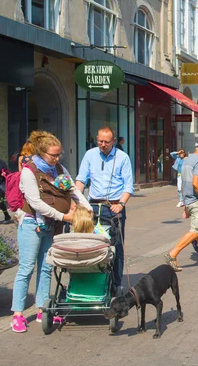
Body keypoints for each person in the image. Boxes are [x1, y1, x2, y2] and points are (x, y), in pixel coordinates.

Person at [11, 131, 90, 333]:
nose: (56, 159)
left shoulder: (59, 168)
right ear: (41, 152)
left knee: (46, 268)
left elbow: (73, 190)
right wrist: (63, 217)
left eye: (59, 155)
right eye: (53, 155)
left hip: (51, 226)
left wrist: (87, 208)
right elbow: (36, 203)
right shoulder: (29, 171)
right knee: (27, 268)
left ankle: (42, 309)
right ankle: (18, 314)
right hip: (32, 224)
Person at [75, 127, 134, 294]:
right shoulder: (90, 155)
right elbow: (81, 179)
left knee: (116, 246)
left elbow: (128, 185)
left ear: (113, 141)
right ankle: (94, 280)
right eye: (100, 141)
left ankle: (116, 283)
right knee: (92, 245)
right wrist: (76, 200)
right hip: (93, 205)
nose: (102, 145)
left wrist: (121, 204)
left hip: (114, 206)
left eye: (106, 142)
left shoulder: (122, 157)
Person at [164, 139, 198, 270]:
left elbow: (183, 182)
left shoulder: (187, 160)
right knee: (197, 230)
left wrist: (184, 203)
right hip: (197, 200)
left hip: (189, 200)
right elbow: (195, 183)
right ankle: (172, 254)